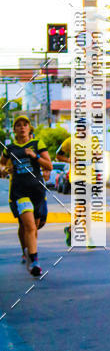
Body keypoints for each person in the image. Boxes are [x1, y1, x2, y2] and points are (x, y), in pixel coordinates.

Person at [0, 116, 51, 277]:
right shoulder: (9, 148)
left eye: (25, 125)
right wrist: (3, 170)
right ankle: (34, 260)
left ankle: (29, 251)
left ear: (30, 128)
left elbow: (48, 164)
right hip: (19, 192)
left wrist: (34, 155)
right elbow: (1, 165)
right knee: (28, 226)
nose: (22, 128)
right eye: (18, 125)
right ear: (14, 129)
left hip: (37, 191)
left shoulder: (37, 144)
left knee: (35, 226)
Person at [56, 135, 72, 246]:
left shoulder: (93, 141)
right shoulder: (69, 142)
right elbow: (58, 156)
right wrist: (69, 160)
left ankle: (70, 229)